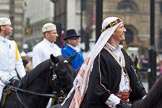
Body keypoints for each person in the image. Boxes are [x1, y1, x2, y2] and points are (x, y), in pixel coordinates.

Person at [62, 17, 146, 108]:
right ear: (112, 31)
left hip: (127, 103)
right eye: (121, 27)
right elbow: (97, 86)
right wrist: (118, 103)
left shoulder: (123, 53)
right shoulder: (100, 56)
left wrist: (146, 97)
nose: (125, 30)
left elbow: (135, 80)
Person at [0, 17, 26, 101]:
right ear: (2, 27)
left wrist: (24, 78)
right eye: (9, 26)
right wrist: (2, 78)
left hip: (13, 77)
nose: (12, 28)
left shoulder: (13, 43)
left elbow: (18, 62)